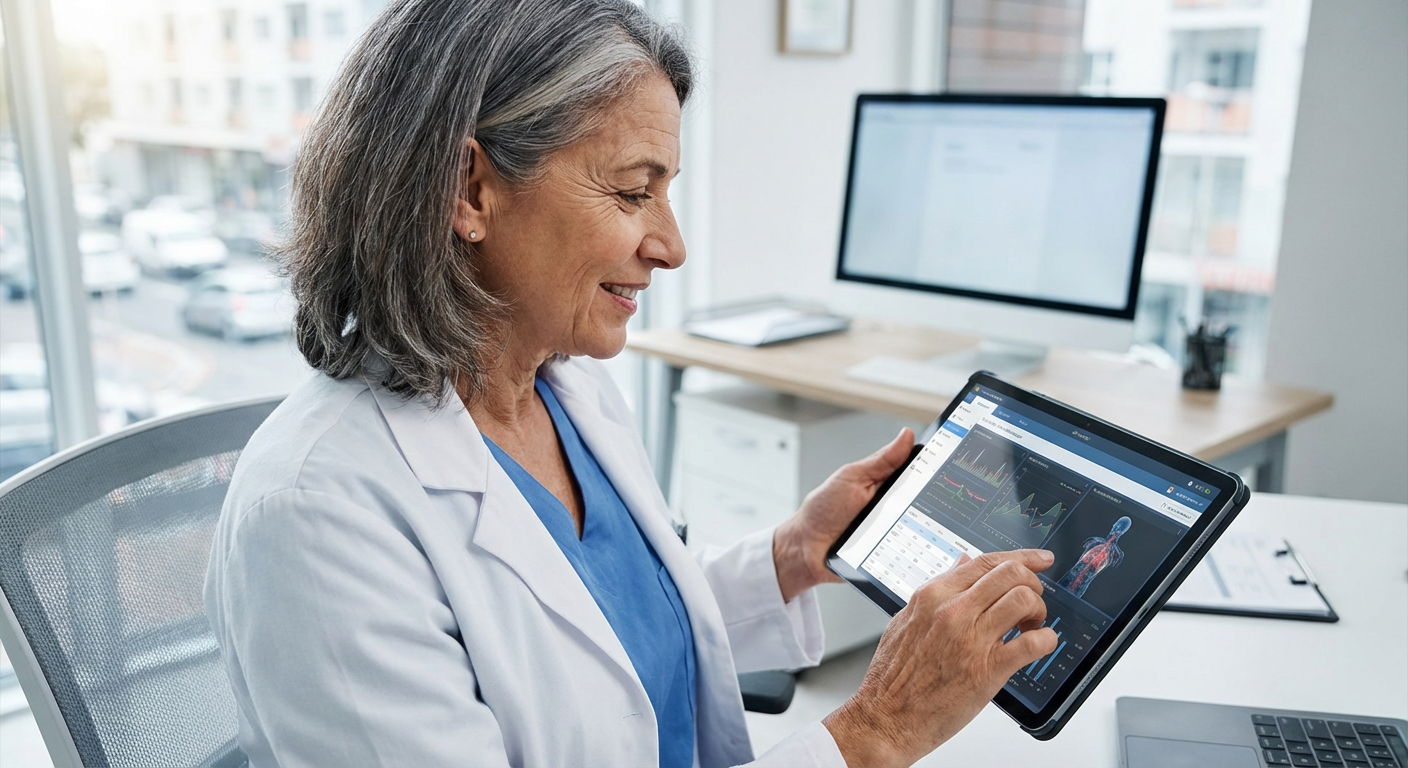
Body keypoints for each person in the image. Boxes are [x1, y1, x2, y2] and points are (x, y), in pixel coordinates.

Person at [203, 1, 1060, 766]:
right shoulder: (317, 516)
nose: (671, 245)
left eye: (668, 194)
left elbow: (602, 652)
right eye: (630, 192)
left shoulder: (563, 390)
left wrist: (791, 556)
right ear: (469, 191)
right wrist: (876, 733)